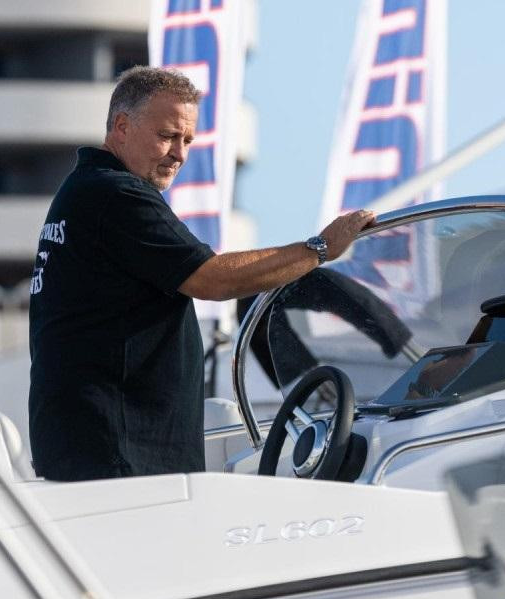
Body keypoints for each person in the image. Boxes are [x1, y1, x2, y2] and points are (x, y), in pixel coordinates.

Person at [28, 66, 373, 481]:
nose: (179, 154)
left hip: (97, 449)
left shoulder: (83, 190)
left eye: (187, 140)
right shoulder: (115, 194)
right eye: (167, 136)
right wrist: (320, 248)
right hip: (120, 457)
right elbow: (213, 279)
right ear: (121, 127)